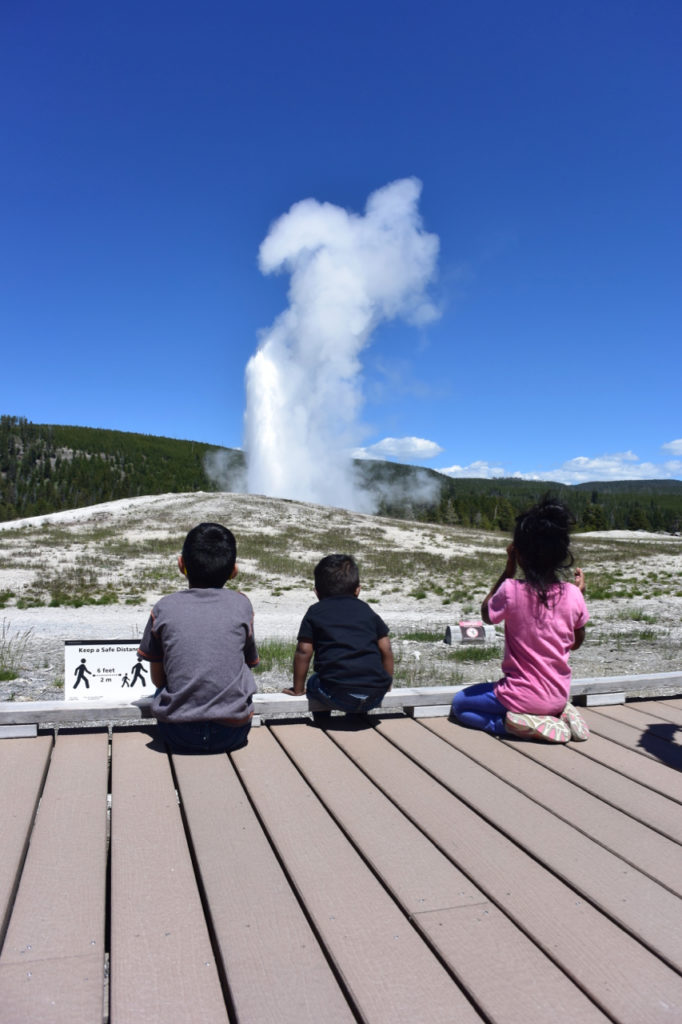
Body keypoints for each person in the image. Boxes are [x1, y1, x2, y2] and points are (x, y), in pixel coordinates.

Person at [450, 497, 590, 743]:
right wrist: (579, 595)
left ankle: (514, 724)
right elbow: (576, 643)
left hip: (519, 695)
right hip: (558, 693)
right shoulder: (572, 593)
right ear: (561, 553)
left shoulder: (511, 589)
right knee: (542, 701)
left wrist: (508, 570)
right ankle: (560, 712)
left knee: (461, 704)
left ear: (521, 554)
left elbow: (487, 615)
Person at [138, 522, 259, 753]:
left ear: (181, 564)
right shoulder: (242, 605)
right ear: (234, 570)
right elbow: (250, 662)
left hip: (177, 733)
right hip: (232, 733)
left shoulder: (164, 607)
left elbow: (158, 680)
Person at [282, 553, 394, 714]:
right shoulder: (367, 611)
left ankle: (323, 721)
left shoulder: (315, 612)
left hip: (336, 693)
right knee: (357, 686)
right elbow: (386, 649)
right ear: (358, 590)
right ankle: (359, 715)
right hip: (375, 694)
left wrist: (298, 689)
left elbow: (304, 650)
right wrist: (386, 685)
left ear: (317, 592)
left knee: (316, 680)